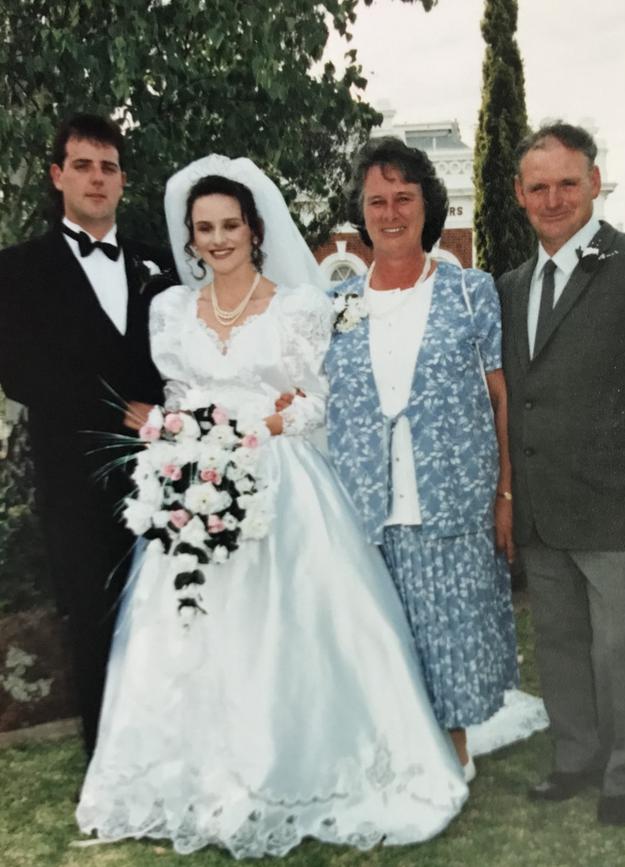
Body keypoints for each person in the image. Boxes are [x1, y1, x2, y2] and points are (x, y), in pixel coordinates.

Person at [76, 155, 469, 857]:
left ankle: (297, 765)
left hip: (282, 481)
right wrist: (176, 435)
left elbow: (322, 397)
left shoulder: (298, 305)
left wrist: (274, 423)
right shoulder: (168, 310)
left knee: (291, 628)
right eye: (205, 228)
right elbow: (176, 395)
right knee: (190, 630)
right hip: (194, 480)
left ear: (255, 229)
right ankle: (193, 774)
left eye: (230, 224)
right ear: (190, 237)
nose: (218, 238)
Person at [323, 137, 522, 781]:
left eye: (403, 197)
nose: (389, 212)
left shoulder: (470, 293)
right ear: (361, 210)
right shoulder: (336, 307)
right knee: (388, 642)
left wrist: (506, 497)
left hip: (452, 504)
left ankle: (454, 754)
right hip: (368, 511)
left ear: (425, 204)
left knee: (450, 641)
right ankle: (399, 755)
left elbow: (502, 401)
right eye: (376, 200)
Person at [0, 113, 176, 756]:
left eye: (107, 167)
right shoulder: (17, 270)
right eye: (83, 165)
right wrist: (118, 410)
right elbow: (21, 373)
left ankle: (171, 745)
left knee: (169, 609)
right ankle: (112, 762)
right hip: (74, 478)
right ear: (58, 176)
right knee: (92, 619)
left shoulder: (160, 259)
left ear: (123, 180)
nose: (96, 179)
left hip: (168, 471)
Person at [498, 121, 625, 826]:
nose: (552, 198)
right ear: (520, 195)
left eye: (567, 182)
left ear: (594, 181)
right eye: (538, 186)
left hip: (623, 506)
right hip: (541, 506)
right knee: (558, 643)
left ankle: (624, 772)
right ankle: (576, 757)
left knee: (619, 648)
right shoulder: (510, 284)